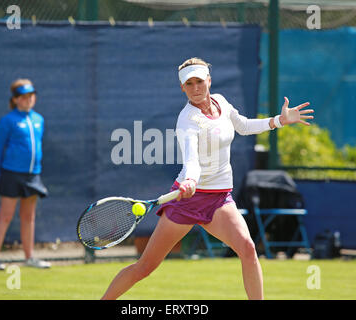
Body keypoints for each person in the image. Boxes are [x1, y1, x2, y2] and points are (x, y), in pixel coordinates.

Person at [101, 57, 314, 299]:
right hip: (188, 199)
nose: (195, 88)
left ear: (209, 81)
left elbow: (243, 125)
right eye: (189, 84)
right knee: (145, 268)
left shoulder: (221, 102)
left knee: (248, 248)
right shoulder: (187, 120)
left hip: (220, 199)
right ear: (182, 87)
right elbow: (192, 159)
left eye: (199, 81)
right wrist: (190, 180)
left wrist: (278, 121)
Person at [0, 79, 51, 270]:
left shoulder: (39, 119)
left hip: (33, 175)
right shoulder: (8, 120)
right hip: (11, 174)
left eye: (31, 96)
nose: (28, 100)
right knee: (5, 216)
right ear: (15, 100)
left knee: (28, 217)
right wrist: (4, 171)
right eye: (23, 97)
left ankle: (29, 257)